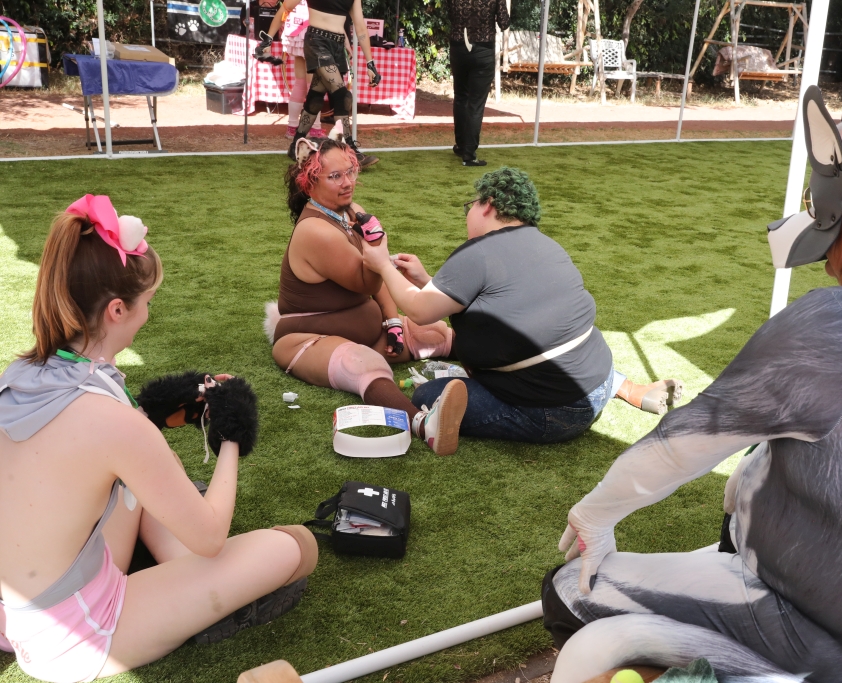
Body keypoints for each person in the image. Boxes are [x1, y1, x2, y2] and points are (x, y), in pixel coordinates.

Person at [540, 83, 842, 683]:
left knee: (568, 589)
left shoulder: (838, 323)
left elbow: (678, 449)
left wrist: (594, 514)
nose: (823, 248)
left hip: (820, 639)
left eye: (829, 217)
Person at [0, 195, 319, 682]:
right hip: (73, 638)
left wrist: (152, 415)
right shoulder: (114, 421)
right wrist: (230, 433)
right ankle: (200, 607)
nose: (148, 313)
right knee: (296, 547)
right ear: (116, 309)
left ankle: (184, 587)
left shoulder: (22, 374)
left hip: (25, 602)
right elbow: (211, 537)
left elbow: (79, 455)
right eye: (147, 303)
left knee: (146, 485)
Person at [360, 166, 684, 444]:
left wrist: (383, 265)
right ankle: (630, 389)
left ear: (487, 204)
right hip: (598, 376)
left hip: (553, 412)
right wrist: (425, 279)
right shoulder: (547, 244)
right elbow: (496, 302)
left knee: (428, 395)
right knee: (563, 343)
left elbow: (419, 311)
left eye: (470, 205)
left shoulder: (477, 252)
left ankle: (622, 390)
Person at [264, 137, 467, 455]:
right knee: (362, 363)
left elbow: (378, 274)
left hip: (366, 329)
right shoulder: (315, 230)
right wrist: (376, 245)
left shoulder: (351, 211)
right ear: (310, 181)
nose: (347, 182)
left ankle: (510, 366)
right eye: (335, 176)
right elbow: (367, 280)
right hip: (306, 339)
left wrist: (393, 321)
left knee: (435, 334)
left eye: (350, 172)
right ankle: (426, 426)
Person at [279, 0, 381, 166]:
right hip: (316, 41)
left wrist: (370, 63)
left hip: (337, 45)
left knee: (315, 96)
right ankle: (350, 151)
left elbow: (360, 27)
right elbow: (287, 7)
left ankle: (295, 144)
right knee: (342, 96)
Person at [446, 0, 510, 166]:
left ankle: (461, 145)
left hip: (458, 47)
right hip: (483, 48)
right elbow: (504, 22)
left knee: (460, 96)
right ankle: (469, 154)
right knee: (476, 103)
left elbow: (450, 15)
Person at [258, 0, 325, 139]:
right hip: (311, 30)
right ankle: (314, 128)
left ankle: (293, 127)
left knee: (301, 83)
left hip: (297, 28)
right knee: (313, 85)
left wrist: (268, 38)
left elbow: (285, 8)